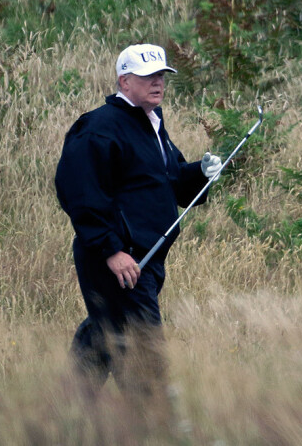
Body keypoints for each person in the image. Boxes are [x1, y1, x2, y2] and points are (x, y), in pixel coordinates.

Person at [55, 44, 222, 410]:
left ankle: (65, 415)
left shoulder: (151, 122)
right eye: (148, 76)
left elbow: (170, 180)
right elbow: (80, 192)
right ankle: (154, 422)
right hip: (118, 258)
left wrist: (200, 173)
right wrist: (112, 249)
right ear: (124, 81)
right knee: (143, 343)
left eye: (162, 75)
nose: (158, 83)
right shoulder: (98, 128)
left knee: (103, 332)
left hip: (146, 257)